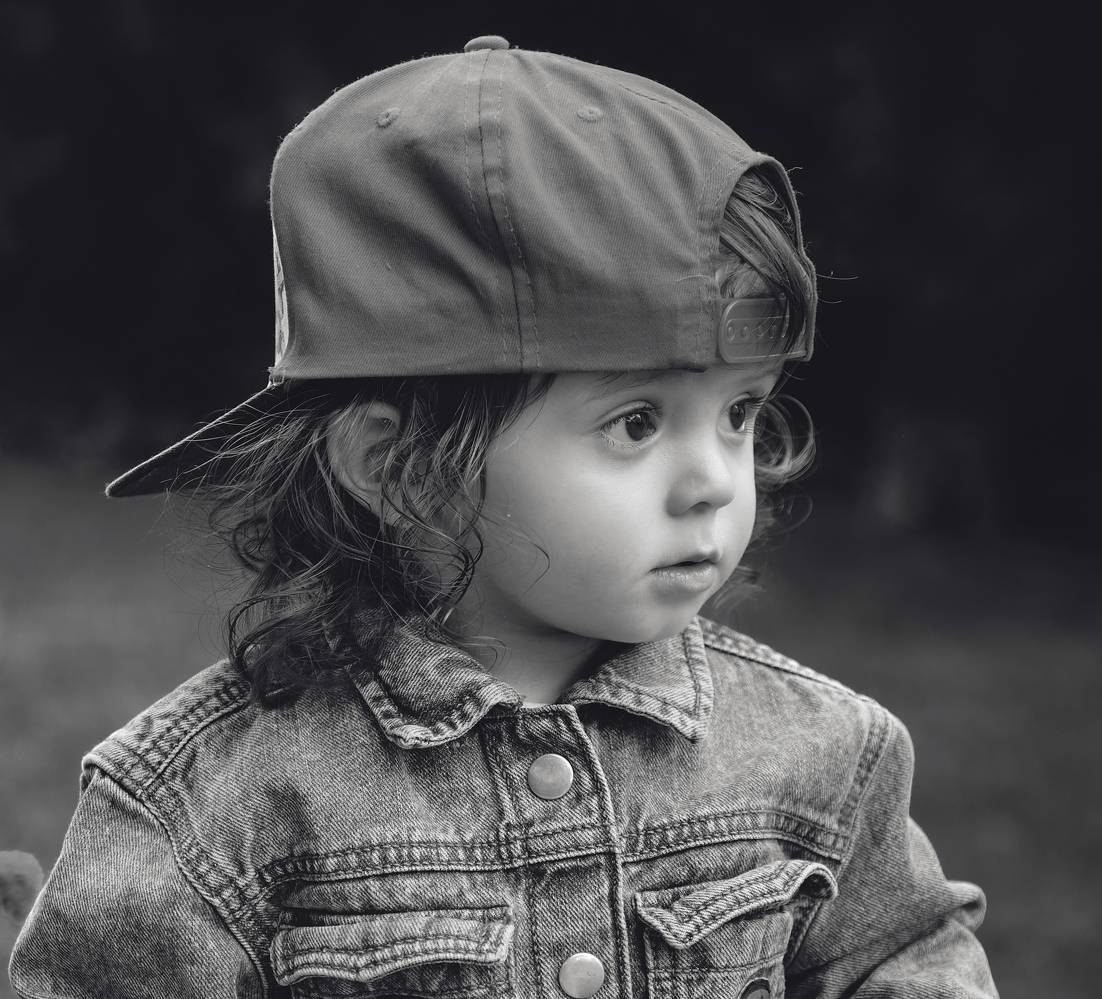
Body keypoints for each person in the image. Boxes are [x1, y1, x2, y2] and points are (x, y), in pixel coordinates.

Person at [9, 35, 997, 999]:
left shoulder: (822, 755)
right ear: (395, 466)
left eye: (740, 411)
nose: (713, 480)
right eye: (636, 422)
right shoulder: (207, 809)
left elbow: (903, 957)